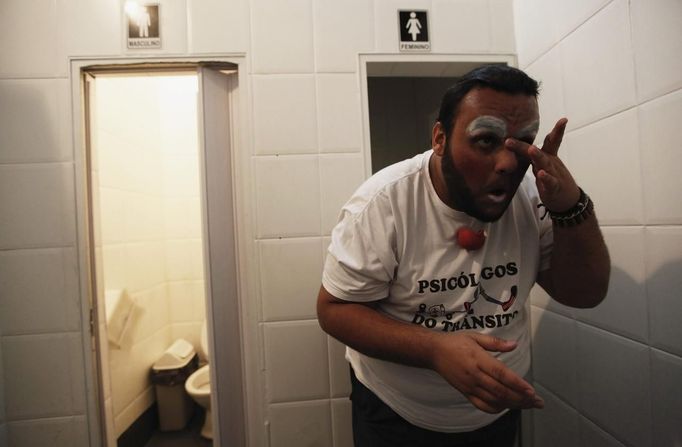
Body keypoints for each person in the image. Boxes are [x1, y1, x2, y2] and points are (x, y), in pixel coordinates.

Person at [316, 64, 610, 446]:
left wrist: (571, 205)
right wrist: (434, 349)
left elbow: (584, 293)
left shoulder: (535, 194)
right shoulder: (384, 204)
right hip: (396, 412)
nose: (508, 164)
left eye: (523, 143)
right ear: (439, 138)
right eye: (486, 141)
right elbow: (335, 310)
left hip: (495, 409)